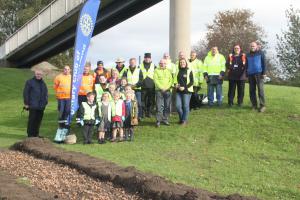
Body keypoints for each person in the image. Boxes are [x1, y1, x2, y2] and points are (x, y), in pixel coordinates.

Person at [23, 69, 48, 137]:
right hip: (32, 105)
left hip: (41, 106)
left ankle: (36, 134)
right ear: (35, 74)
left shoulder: (43, 83)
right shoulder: (30, 82)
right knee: (32, 120)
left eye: (40, 74)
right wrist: (26, 103)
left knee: (38, 121)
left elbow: (46, 94)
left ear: (42, 75)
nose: (39, 75)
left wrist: (45, 102)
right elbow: (26, 93)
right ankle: (30, 134)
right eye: (37, 74)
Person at [246, 41, 267, 112]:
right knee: (252, 91)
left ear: (257, 46)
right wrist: (246, 74)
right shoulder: (247, 55)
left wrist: (264, 73)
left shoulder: (261, 53)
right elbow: (246, 65)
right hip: (250, 74)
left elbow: (264, 63)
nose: (252, 47)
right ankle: (254, 105)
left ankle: (262, 106)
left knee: (260, 90)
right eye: (251, 46)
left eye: (253, 46)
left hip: (259, 74)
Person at [173, 58, 194, 125]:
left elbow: (191, 82)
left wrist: (184, 87)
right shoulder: (177, 71)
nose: (182, 63)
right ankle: (182, 118)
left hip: (187, 91)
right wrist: (176, 85)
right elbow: (175, 80)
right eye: (181, 62)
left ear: (186, 63)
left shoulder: (189, 71)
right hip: (178, 91)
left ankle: (184, 120)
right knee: (177, 106)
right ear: (179, 64)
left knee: (185, 106)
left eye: (183, 62)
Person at [153, 59, 173, 127]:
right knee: (159, 106)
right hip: (159, 90)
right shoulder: (156, 70)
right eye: (161, 63)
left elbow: (171, 80)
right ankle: (158, 120)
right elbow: (155, 80)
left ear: (166, 64)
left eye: (164, 63)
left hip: (167, 90)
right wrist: (161, 88)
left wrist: (166, 88)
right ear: (159, 64)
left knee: (167, 106)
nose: (162, 64)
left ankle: (165, 119)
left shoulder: (168, 71)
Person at [140, 53, 156, 118]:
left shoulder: (154, 65)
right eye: (146, 58)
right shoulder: (140, 65)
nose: (147, 59)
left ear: (150, 58)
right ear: (144, 58)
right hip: (143, 85)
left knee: (150, 100)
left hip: (151, 85)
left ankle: (149, 112)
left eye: (148, 58)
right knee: (143, 100)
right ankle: (143, 112)